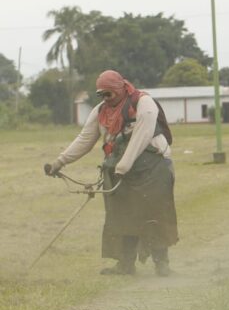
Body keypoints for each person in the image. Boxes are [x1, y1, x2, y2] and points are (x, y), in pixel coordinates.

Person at [44, 70, 178, 277]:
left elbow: (142, 136)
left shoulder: (144, 103)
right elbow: (85, 139)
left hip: (151, 168)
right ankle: (125, 265)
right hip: (119, 169)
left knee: (155, 215)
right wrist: (59, 162)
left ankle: (162, 265)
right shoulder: (100, 111)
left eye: (109, 94)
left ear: (120, 89)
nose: (105, 98)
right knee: (121, 217)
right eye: (101, 94)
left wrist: (123, 165)